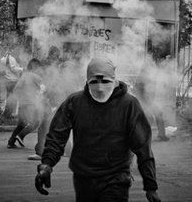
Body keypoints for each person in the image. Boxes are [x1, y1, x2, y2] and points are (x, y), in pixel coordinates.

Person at [35, 57, 161, 202]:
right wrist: (47, 164)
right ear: (87, 81)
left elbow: (143, 146)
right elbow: (57, 136)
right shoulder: (74, 102)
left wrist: (151, 185)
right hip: (83, 178)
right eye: (94, 81)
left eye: (105, 81)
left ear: (114, 80)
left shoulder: (129, 104)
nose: (100, 87)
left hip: (116, 178)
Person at [7, 58, 49, 162]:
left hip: (22, 103)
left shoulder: (24, 75)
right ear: (35, 67)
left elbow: (16, 89)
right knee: (36, 122)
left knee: (21, 123)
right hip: (31, 104)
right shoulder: (36, 77)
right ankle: (21, 136)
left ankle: (11, 142)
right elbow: (44, 89)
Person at [135, 64, 169, 141]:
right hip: (144, 102)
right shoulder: (141, 80)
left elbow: (152, 91)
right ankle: (142, 136)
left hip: (150, 101)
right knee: (148, 118)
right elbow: (139, 93)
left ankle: (161, 135)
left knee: (158, 115)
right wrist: (146, 104)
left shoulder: (148, 79)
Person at [0, 52, 23, 118]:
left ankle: (5, 113)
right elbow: (13, 68)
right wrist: (22, 69)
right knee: (12, 97)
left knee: (6, 97)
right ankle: (10, 113)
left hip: (7, 79)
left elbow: (0, 68)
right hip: (12, 80)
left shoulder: (4, 58)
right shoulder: (11, 58)